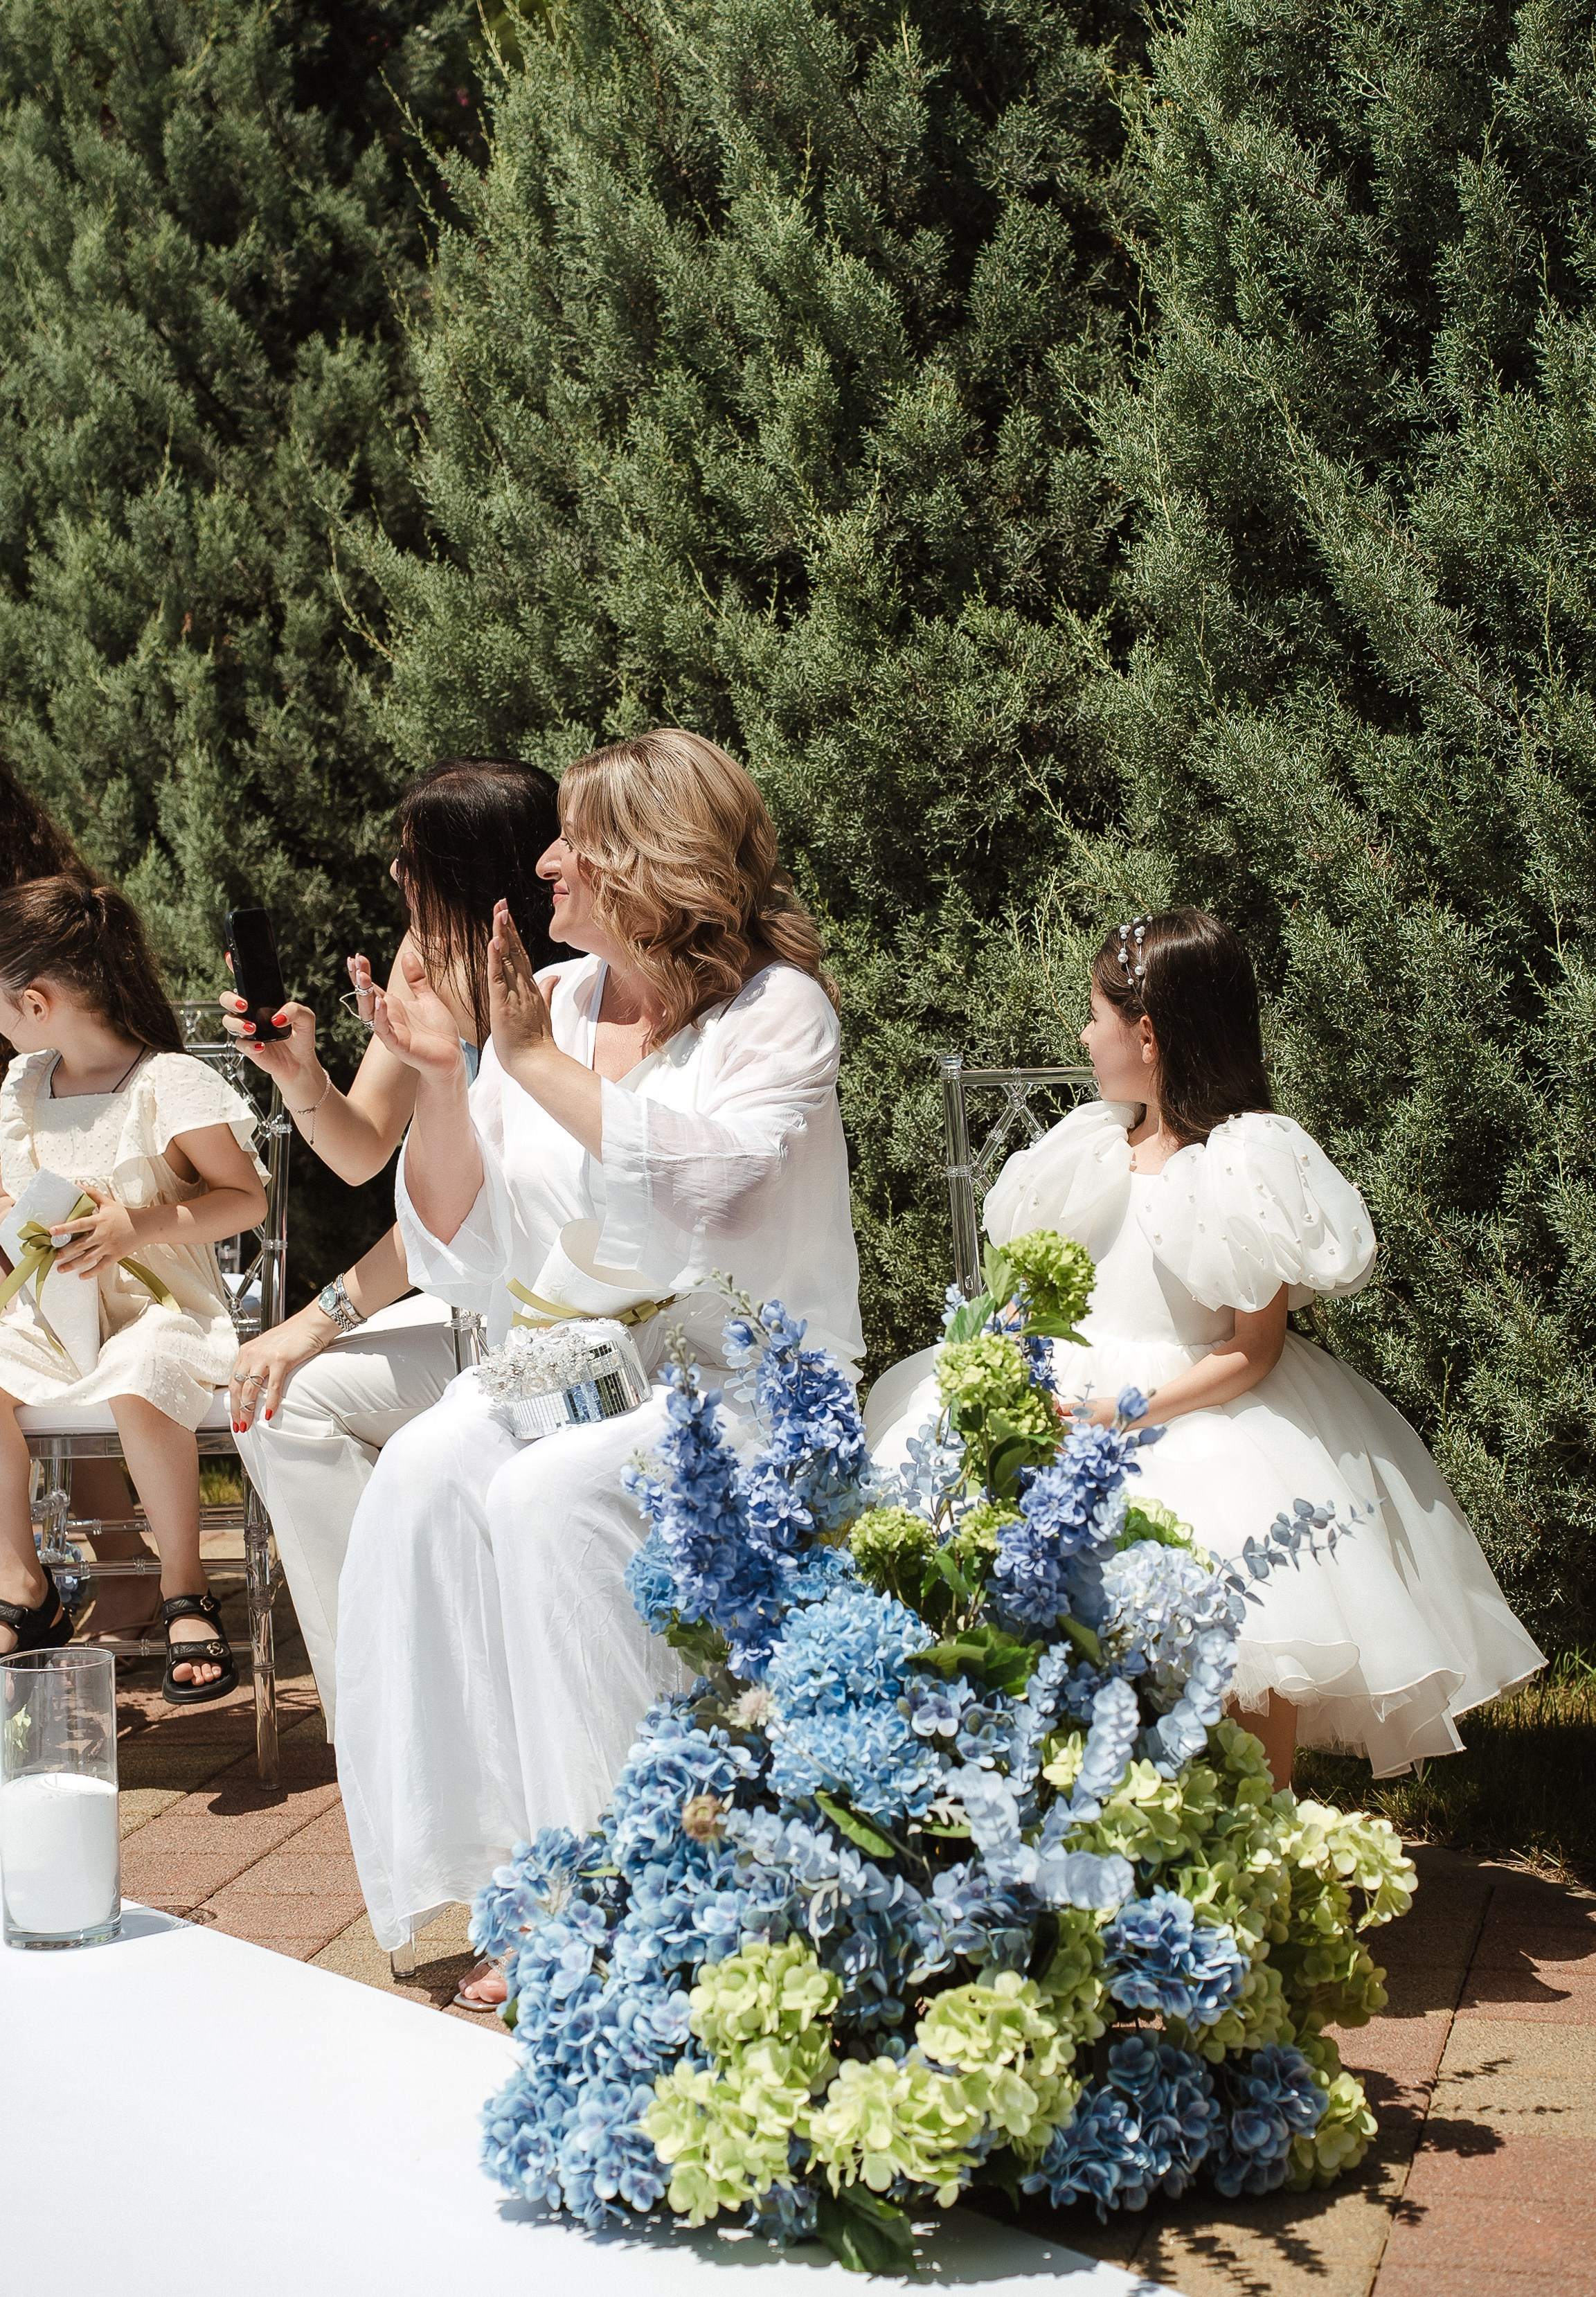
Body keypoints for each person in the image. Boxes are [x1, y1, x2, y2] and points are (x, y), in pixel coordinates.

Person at [332, 729, 862, 1991]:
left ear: (648, 865)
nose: (546, 863)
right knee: (424, 1468)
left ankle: (624, 1893)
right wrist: (443, 1082)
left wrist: (525, 1063)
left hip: (748, 1387)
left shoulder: (776, 1012)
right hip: (581, 1371)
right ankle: (515, 1871)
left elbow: (720, 1192)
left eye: (573, 842)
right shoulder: (560, 1000)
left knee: (548, 1493)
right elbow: (463, 1250)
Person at [868, 908, 1545, 1787]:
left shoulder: (1240, 1163)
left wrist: (1125, 1412)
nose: (1083, 1036)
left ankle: (1261, 1810)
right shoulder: (1090, 1146)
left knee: (1255, 1618)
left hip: (1199, 1405)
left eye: (1094, 1017)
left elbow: (1254, 1349)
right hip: (1074, 1397)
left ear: (1147, 1034)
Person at [224, 760, 559, 1728]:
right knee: (275, 1402)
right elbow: (364, 1148)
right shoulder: (423, 957)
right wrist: (297, 1075)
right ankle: (376, 1710)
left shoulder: (562, 984)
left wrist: (319, 1316)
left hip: (548, 1317)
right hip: (467, 1307)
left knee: (297, 1377)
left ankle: (436, 1701)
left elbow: (473, 1209)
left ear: (470, 871)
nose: (394, 874)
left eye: (412, 858)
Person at [0, 877, 268, 1693]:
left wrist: (137, 1224)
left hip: (163, 1308)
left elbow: (244, 1199)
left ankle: (184, 1585)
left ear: (36, 1002)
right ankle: (23, 1582)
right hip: (57, 1314)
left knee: (141, 1367)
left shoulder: (166, 1082)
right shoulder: (23, 1086)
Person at [0, 766, 152, 1635]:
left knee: (55, 1305)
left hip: (55, 1177)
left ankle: (67, 1575)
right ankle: (88, 1571)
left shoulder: (38, 923)